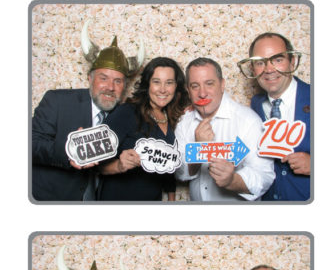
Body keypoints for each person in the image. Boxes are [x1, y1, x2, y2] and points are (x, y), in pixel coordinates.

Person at [32, 31, 144, 201]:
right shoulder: (57, 101)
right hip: (49, 199)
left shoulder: (123, 115)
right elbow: (30, 144)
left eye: (118, 81)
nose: (110, 87)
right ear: (90, 79)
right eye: (103, 78)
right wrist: (68, 152)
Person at [174, 57, 274, 201]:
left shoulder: (248, 121)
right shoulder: (184, 121)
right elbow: (179, 173)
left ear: (222, 85)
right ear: (188, 91)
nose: (202, 93)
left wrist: (232, 180)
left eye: (209, 84)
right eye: (195, 86)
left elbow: (264, 176)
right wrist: (198, 148)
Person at [99, 57, 188, 201]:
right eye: (156, 82)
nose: (163, 89)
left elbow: (167, 162)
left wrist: (171, 198)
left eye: (169, 83)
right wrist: (119, 165)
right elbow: (96, 166)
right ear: (147, 85)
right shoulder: (126, 112)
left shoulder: (170, 117)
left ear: (176, 86)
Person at [238, 32, 310, 201]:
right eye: (260, 62)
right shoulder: (255, 106)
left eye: (278, 59)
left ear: (292, 61)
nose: (269, 69)